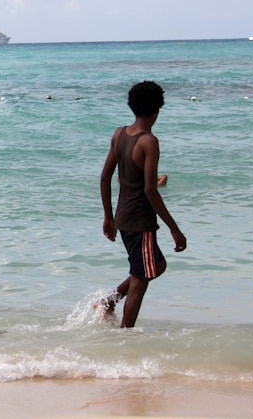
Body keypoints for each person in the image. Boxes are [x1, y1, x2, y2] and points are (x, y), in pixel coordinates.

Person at [99, 80, 186, 328]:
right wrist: (173, 227)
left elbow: (105, 177)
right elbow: (150, 189)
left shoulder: (119, 134)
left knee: (155, 265)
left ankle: (109, 301)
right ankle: (123, 335)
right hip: (140, 220)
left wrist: (108, 216)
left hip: (123, 216)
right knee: (141, 279)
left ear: (131, 106)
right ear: (158, 108)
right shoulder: (149, 141)